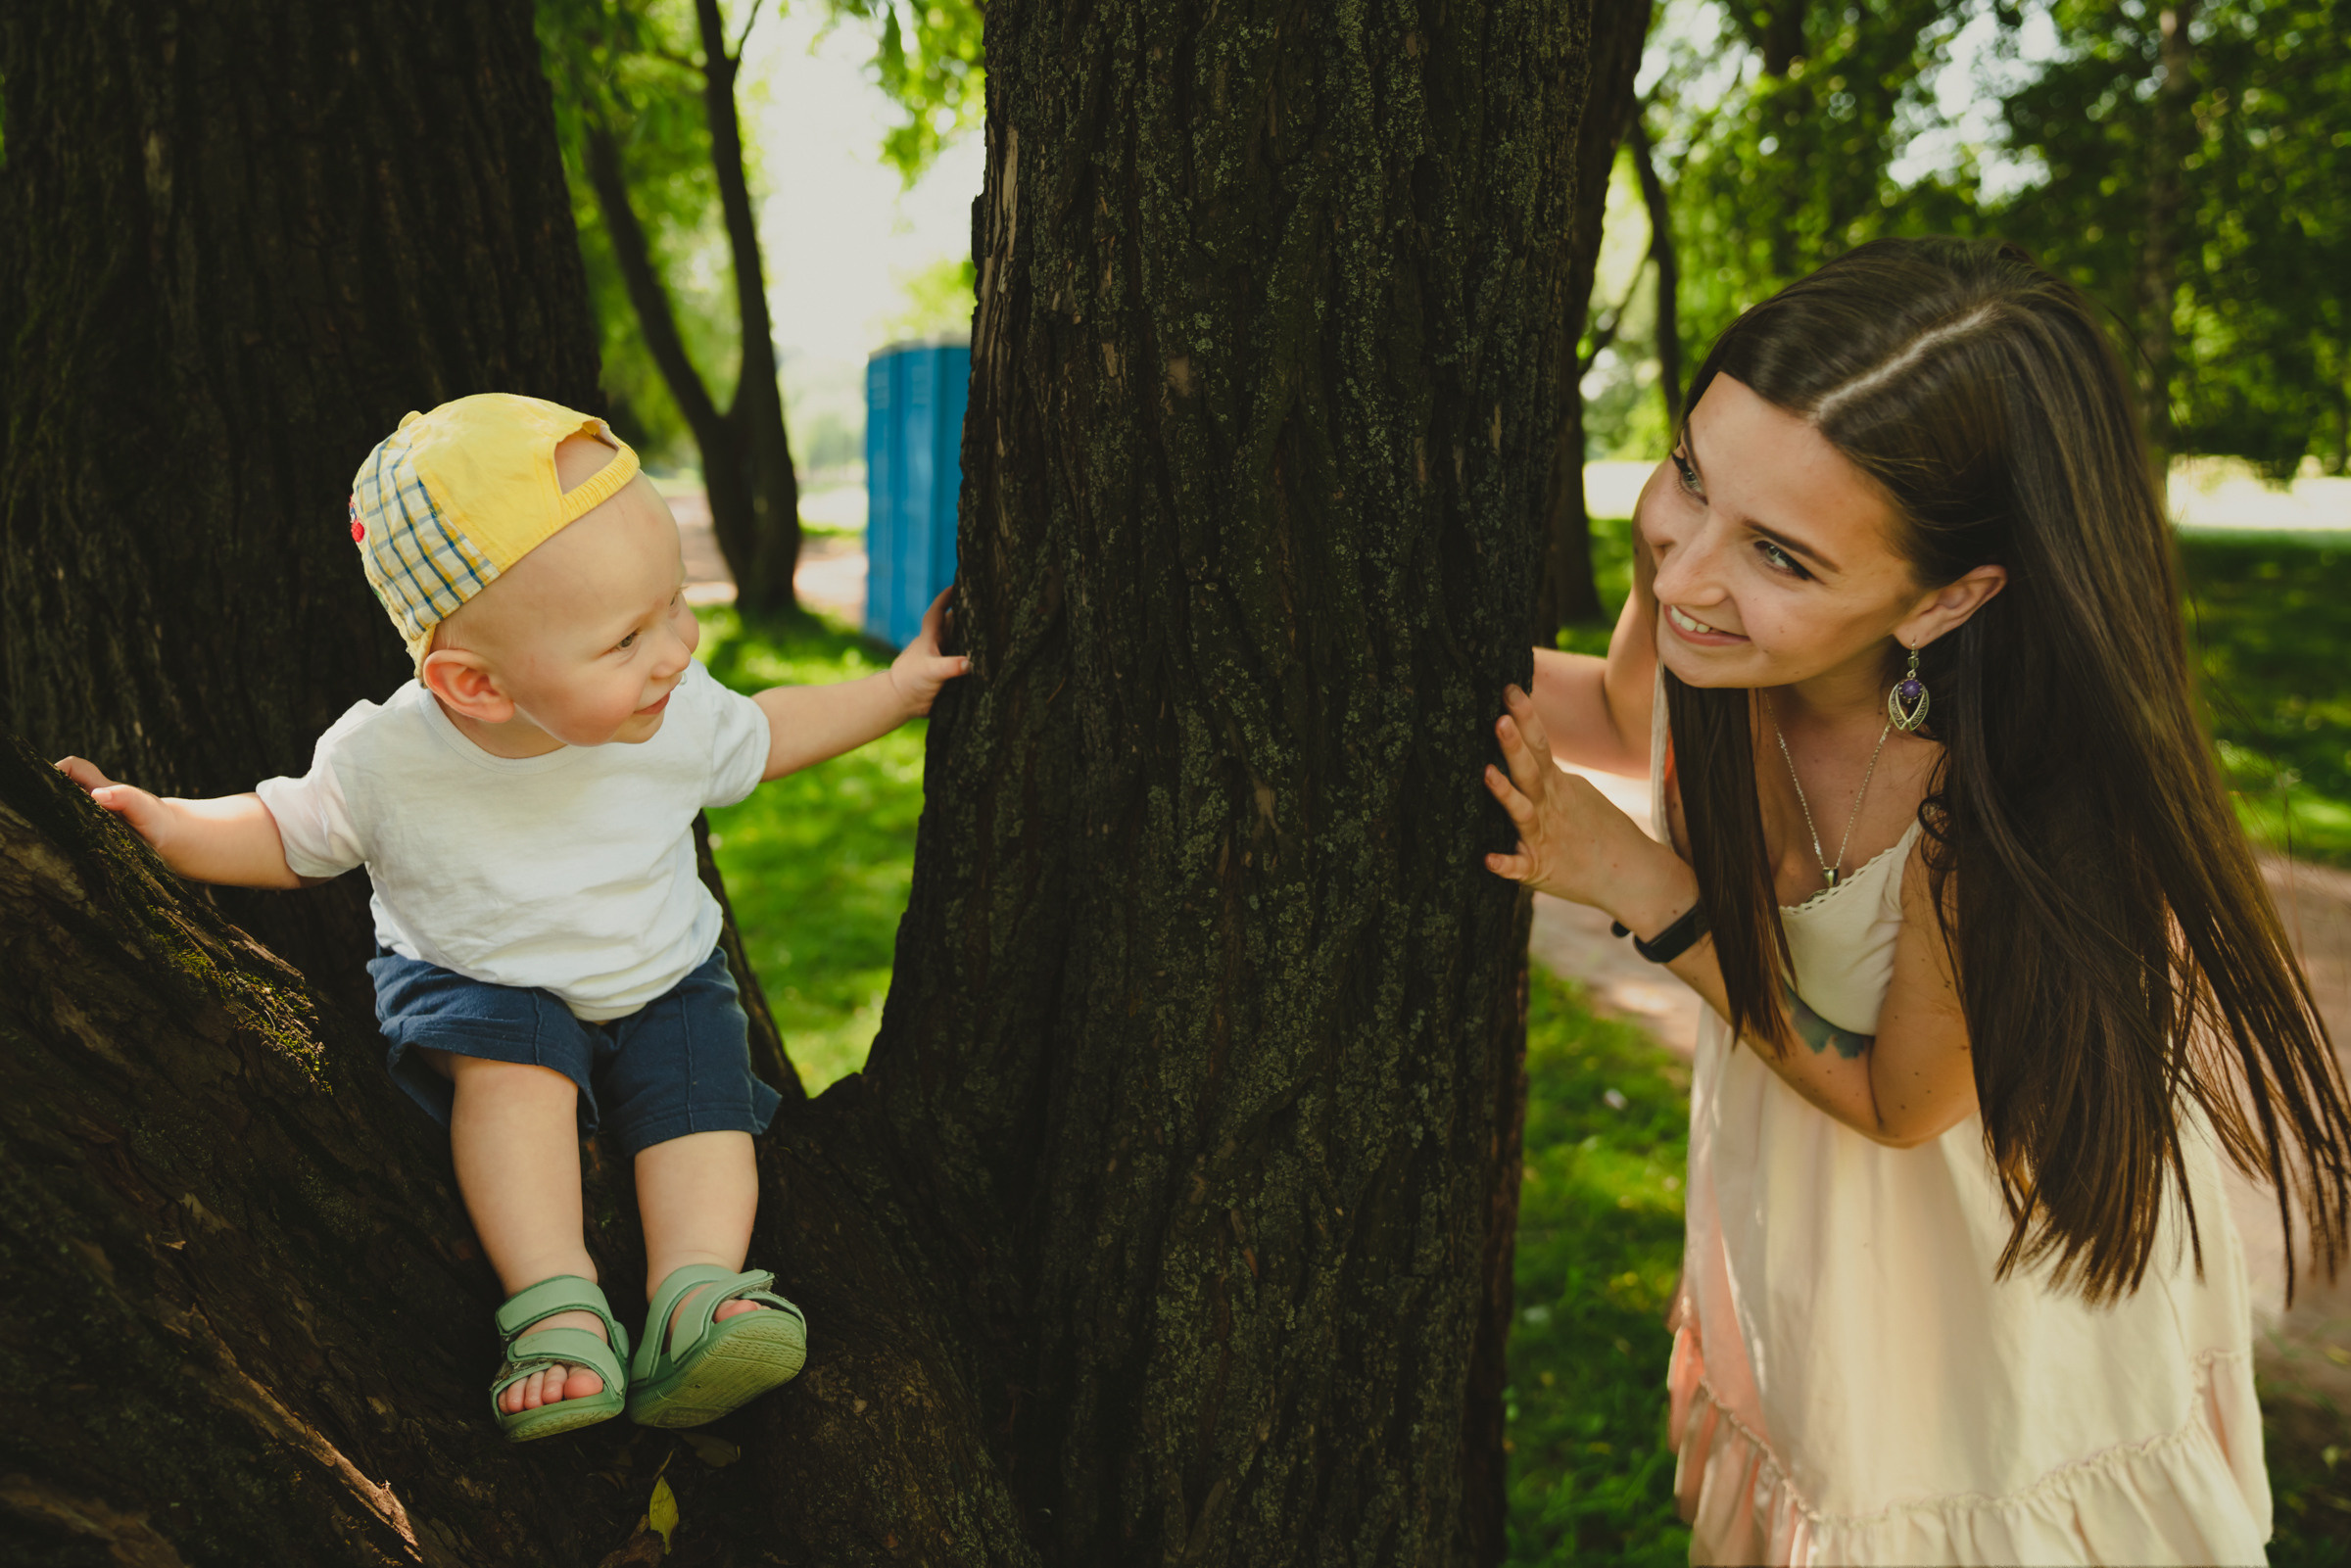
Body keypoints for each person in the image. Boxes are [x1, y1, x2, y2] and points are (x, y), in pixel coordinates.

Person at [1481, 238, 2351, 1564]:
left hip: (1978, 1324)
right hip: (1812, 1248)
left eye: (1781, 554)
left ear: (1949, 598)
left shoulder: (2005, 809)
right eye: (1692, 474)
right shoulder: (1705, 629)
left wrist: (1639, 883)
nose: (1683, 570)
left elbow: (1897, 1101)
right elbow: (1617, 708)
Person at [55, 394, 968, 1443]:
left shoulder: (669, 705)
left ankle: (696, 1291)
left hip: (661, 966)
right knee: (513, 1085)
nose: (677, 649)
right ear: (475, 684)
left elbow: (765, 732)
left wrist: (896, 689)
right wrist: (166, 826)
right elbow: (284, 829)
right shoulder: (391, 758)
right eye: (627, 635)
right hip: (482, 978)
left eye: (674, 602)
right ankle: (556, 1306)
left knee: (702, 1102)